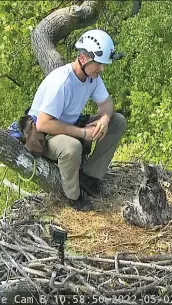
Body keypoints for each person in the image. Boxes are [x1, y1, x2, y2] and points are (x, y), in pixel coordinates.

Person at [26, 29, 127, 212]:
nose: (102, 69)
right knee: (73, 147)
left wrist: (104, 119)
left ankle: (90, 176)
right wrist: (82, 133)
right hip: (45, 135)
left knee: (117, 121)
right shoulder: (62, 83)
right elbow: (43, 123)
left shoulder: (91, 78)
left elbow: (106, 103)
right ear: (83, 59)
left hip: (69, 124)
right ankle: (74, 196)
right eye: (99, 64)